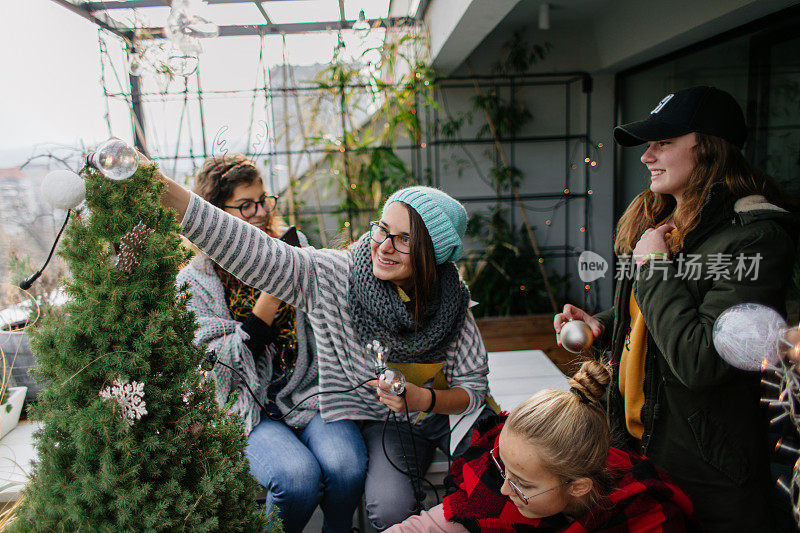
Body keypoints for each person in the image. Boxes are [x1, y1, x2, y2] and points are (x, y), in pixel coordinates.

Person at [153, 164, 494, 531]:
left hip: (448, 418)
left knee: (494, 487)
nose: (383, 246)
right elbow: (257, 254)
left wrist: (423, 400)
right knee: (385, 505)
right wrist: (172, 195)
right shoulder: (335, 276)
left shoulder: (452, 302)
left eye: (405, 239)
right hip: (385, 425)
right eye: (382, 228)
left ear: (433, 254)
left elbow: (474, 390)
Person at [554, 86, 798, 532]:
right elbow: (651, 321)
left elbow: (700, 359)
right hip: (639, 450)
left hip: (706, 477)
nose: (647, 157)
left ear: (709, 148)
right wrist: (602, 327)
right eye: (649, 144)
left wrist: (652, 266)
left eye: (664, 142)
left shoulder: (755, 239)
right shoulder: (661, 221)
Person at [175, 155, 367, 533]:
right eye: (246, 205)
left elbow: (330, 316)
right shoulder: (194, 281)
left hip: (310, 393)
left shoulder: (294, 248)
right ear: (214, 213)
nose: (261, 211)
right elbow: (215, 363)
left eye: (264, 199)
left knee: (346, 468)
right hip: (247, 408)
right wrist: (272, 296)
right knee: (296, 480)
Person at [385, 360, 696, 532]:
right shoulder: (494, 481)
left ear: (579, 487)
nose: (505, 489)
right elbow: (429, 527)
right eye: (503, 466)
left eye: (523, 484)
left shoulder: (647, 516)